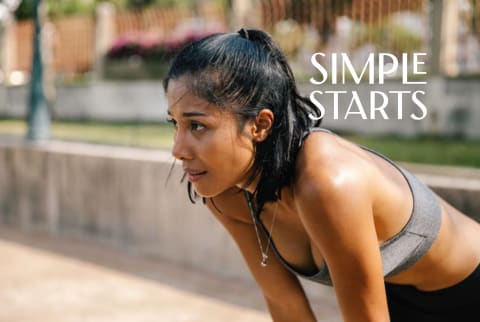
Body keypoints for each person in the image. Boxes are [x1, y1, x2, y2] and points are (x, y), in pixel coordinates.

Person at [163, 28, 480, 322]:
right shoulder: (226, 193)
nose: (178, 149)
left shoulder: (326, 182)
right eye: (175, 124)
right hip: (401, 297)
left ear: (259, 125)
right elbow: (286, 305)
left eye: (197, 125)